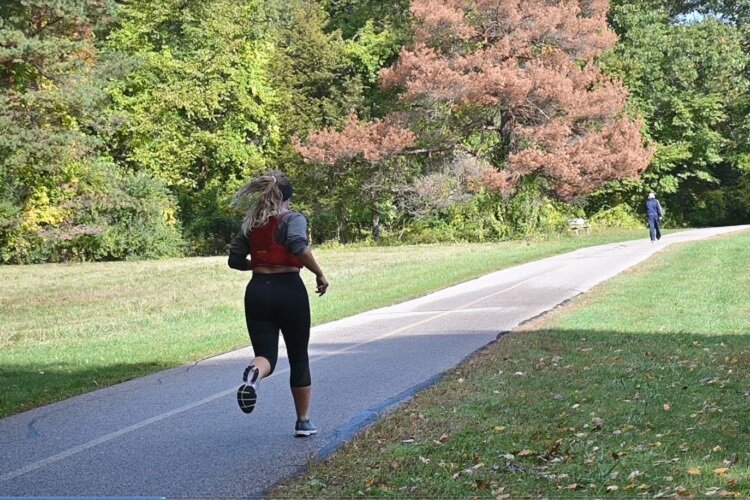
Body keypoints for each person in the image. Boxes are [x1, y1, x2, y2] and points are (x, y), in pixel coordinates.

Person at [228, 170, 329, 437]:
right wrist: (319, 273)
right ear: (288, 197)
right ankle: (303, 422)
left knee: (266, 355)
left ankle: (253, 375)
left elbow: (235, 260)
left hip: (258, 291)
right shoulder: (293, 219)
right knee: (298, 357)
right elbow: (298, 245)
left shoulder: (251, 224)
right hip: (289, 291)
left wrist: (259, 264)